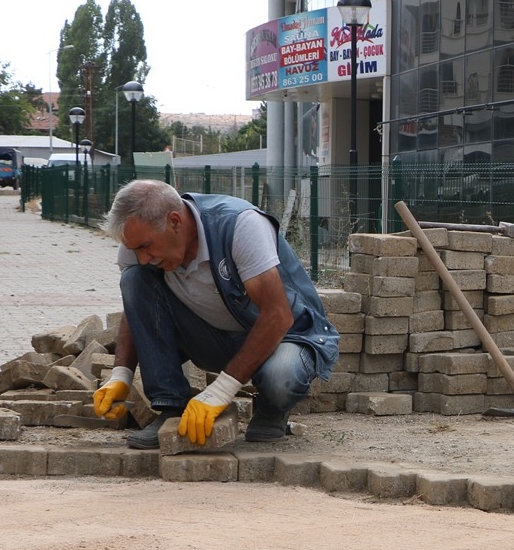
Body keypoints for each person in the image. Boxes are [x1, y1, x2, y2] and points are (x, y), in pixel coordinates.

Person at [93, 180, 339, 449]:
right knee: (135, 278)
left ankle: (271, 409)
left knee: (282, 379)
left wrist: (221, 391)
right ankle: (171, 407)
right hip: (216, 337)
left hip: (286, 336)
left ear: (175, 221)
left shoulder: (239, 225)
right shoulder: (138, 248)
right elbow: (137, 307)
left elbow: (277, 316)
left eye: (146, 247)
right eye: (135, 249)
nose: (142, 257)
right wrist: (121, 374)